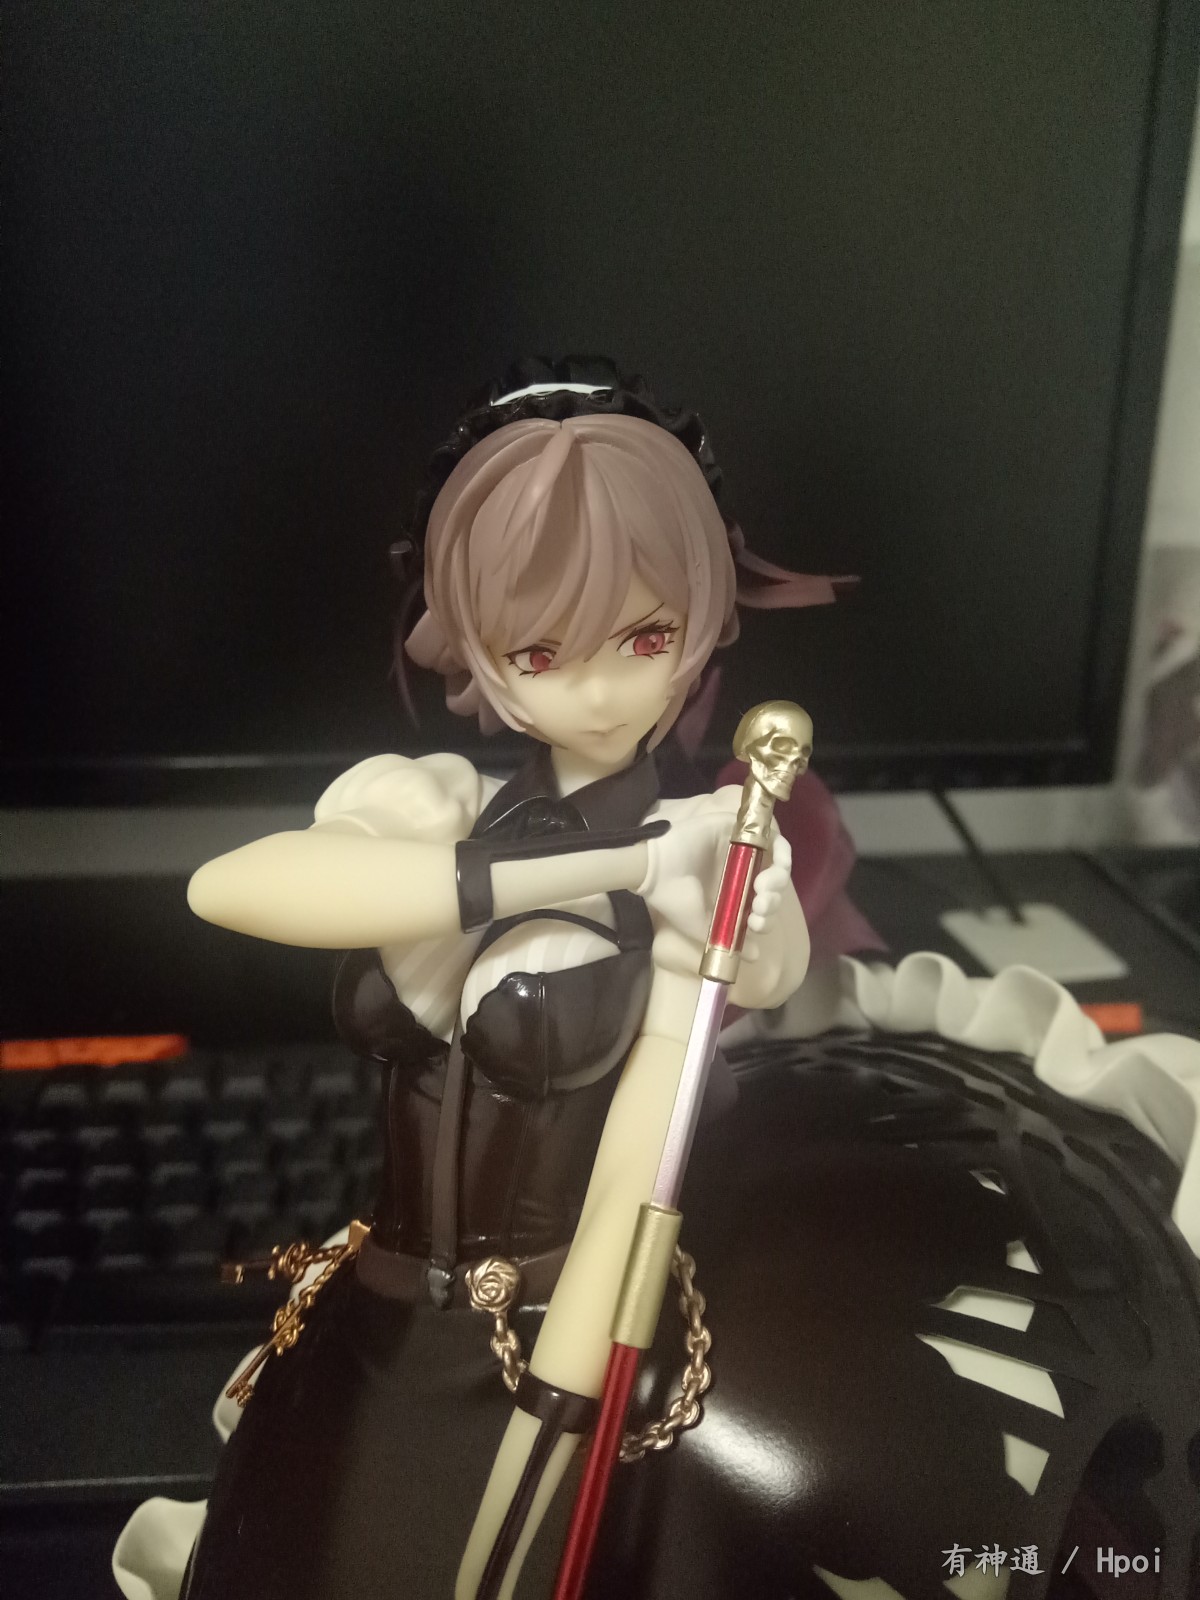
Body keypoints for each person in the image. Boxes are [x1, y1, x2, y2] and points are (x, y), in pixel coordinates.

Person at [162, 362, 840, 1600]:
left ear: (700, 624)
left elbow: (641, 1152)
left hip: (552, 1329)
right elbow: (231, 887)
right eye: (540, 649)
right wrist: (608, 863)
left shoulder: (709, 854)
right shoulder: (433, 804)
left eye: (647, 636)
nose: (602, 687)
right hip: (368, 1313)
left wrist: (559, 1401)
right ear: (476, 648)